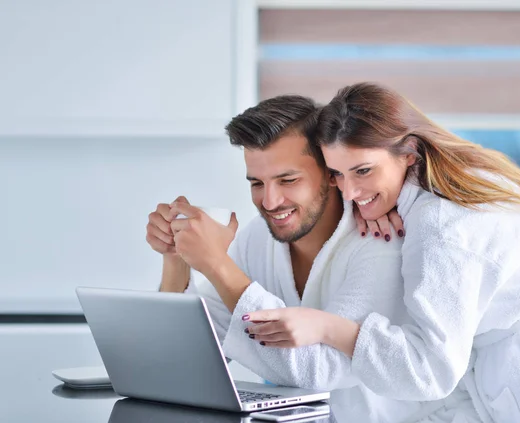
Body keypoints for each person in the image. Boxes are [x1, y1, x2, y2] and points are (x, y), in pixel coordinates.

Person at [243, 83, 520, 423]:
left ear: (408, 153)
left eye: (363, 171)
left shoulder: (442, 224)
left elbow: (429, 370)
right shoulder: (430, 196)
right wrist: (373, 205)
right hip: (512, 367)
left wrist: (327, 327)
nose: (349, 192)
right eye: (337, 174)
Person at [145, 95, 478, 423]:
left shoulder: (380, 241)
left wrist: (218, 265)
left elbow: (321, 368)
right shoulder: (257, 239)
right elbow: (184, 359)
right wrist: (176, 259)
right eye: (257, 183)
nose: (271, 201)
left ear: (330, 173)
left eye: (288, 180)